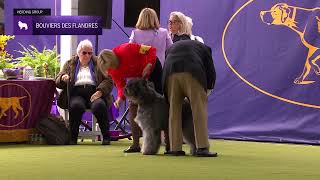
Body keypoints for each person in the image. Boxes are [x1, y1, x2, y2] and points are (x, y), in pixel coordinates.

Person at [97, 43, 162, 153]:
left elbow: (151, 50)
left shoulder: (127, 49)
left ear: (113, 58)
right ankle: (135, 144)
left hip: (153, 69)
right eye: (108, 68)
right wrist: (120, 99)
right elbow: (121, 86)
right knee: (132, 106)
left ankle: (167, 142)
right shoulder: (111, 70)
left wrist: (149, 65)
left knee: (158, 105)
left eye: (112, 65)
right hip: (138, 78)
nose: (112, 69)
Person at [162, 40, 217, 157]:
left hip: (170, 73)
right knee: (198, 110)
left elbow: (166, 62)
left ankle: (175, 148)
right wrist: (209, 88)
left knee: (174, 111)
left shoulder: (172, 47)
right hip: (193, 72)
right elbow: (210, 71)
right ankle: (202, 147)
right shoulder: (206, 49)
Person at [55, 39, 113, 145]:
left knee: (99, 105)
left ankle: (106, 136)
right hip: (76, 93)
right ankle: (73, 137)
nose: (87, 55)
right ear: (78, 52)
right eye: (84, 53)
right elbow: (58, 79)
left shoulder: (98, 62)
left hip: (94, 91)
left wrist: (100, 91)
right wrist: (63, 77)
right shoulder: (70, 63)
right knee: (76, 106)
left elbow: (108, 80)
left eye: (90, 53)